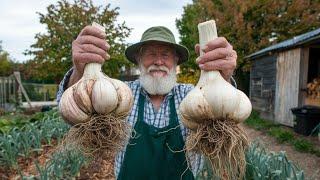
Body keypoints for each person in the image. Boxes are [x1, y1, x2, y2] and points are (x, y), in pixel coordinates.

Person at [57, 25, 237, 179]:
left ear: (176, 61)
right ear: (138, 59)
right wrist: (79, 73)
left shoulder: (192, 95)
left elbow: (224, 107)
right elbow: (73, 110)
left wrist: (223, 78)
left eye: (165, 55)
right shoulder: (121, 94)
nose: (158, 61)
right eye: (151, 54)